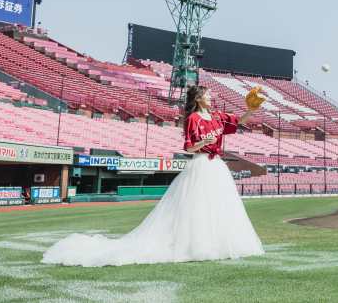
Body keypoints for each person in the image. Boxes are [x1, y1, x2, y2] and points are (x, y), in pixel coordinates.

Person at [41, 85, 265, 267]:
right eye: (206, 95)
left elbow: (239, 121)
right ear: (197, 99)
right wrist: (202, 144)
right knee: (196, 206)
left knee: (220, 206)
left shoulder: (216, 117)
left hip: (216, 165)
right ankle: (198, 245)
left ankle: (220, 243)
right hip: (200, 165)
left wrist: (251, 109)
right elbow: (188, 146)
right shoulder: (192, 119)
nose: (210, 98)